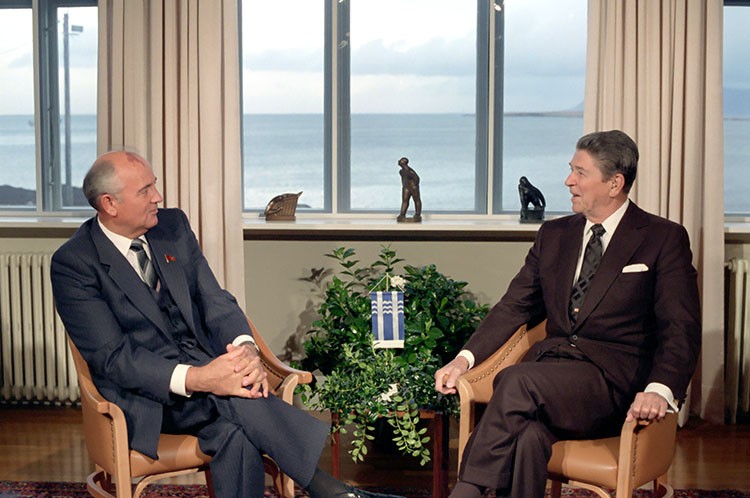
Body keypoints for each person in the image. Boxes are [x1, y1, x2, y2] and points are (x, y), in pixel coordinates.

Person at [51, 150, 403, 498]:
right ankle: (329, 490)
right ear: (110, 203)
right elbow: (115, 359)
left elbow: (213, 298)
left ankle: (332, 492)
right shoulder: (75, 264)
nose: (157, 197)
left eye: (154, 185)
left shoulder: (171, 226)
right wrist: (202, 378)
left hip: (209, 375)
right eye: (145, 191)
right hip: (150, 399)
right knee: (240, 394)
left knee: (233, 431)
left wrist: (246, 350)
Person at [434, 130, 701, 498]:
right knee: (527, 437)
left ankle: (467, 490)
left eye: (580, 172)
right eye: (570, 170)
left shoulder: (662, 237)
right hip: (548, 376)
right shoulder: (554, 234)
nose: (568, 181)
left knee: (515, 381)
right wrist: (464, 360)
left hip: (610, 385)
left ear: (614, 183)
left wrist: (660, 389)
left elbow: (680, 326)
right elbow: (514, 306)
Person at [397, 157, 422, 221]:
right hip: (406, 188)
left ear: (404, 162)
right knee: (405, 201)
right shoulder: (401, 171)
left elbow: (417, 179)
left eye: (401, 160)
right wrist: (406, 186)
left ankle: (417, 214)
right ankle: (402, 214)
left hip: (413, 188)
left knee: (416, 200)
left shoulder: (409, 171)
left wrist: (414, 187)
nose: (399, 161)